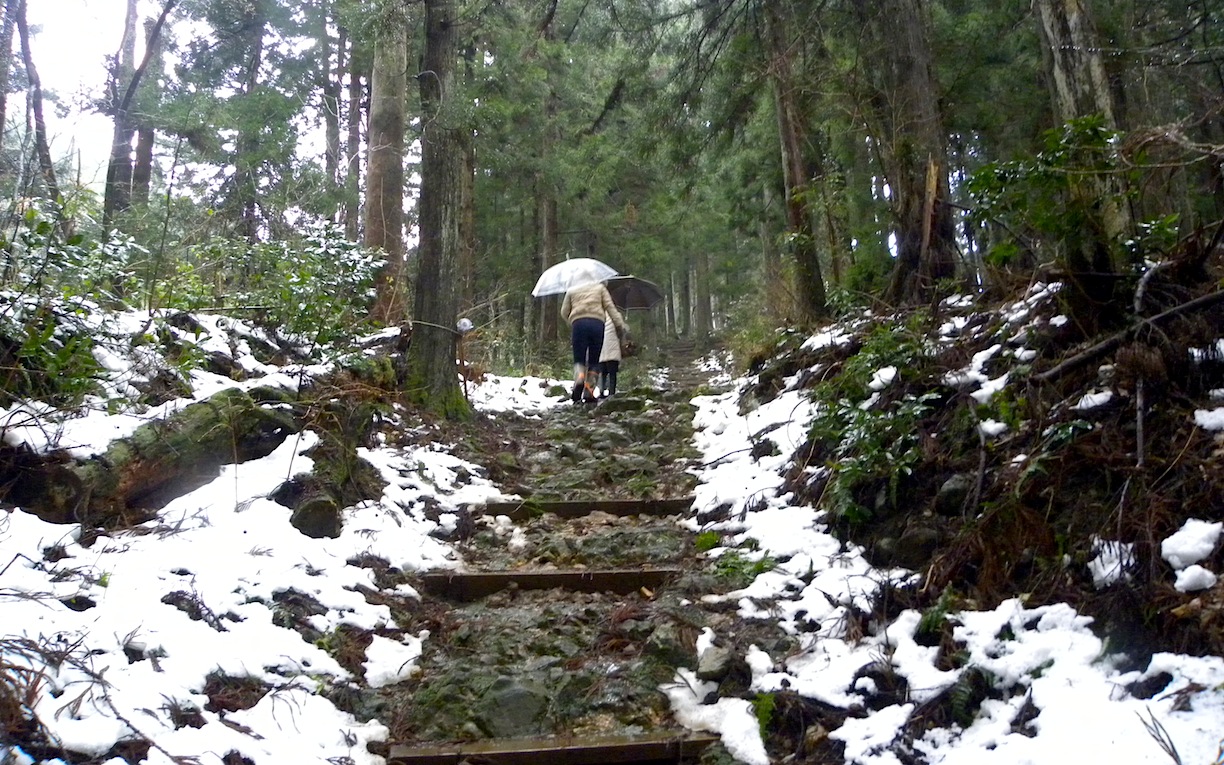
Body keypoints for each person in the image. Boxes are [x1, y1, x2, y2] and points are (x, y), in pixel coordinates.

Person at [560, 281, 627, 403]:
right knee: (594, 360)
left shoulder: (572, 289)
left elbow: (564, 311)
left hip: (578, 324)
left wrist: (572, 321)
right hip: (597, 324)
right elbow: (610, 308)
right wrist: (620, 325)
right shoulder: (600, 288)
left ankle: (579, 378)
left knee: (579, 358)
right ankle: (589, 390)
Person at [596, 313, 626, 398]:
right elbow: (621, 331)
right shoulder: (615, 316)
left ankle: (601, 392)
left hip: (601, 349)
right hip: (612, 350)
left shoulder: (599, 316)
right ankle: (611, 393)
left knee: (603, 373)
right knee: (612, 373)